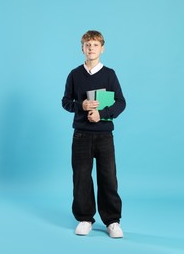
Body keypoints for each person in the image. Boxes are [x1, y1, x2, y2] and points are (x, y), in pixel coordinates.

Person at [61, 30, 126, 238]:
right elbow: (65, 102)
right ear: (82, 48)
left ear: (102, 48)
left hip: (104, 135)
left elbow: (121, 102)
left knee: (108, 177)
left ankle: (112, 221)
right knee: (81, 177)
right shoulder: (74, 74)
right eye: (87, 45)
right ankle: (85, 218)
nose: (91, 48)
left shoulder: (109, 74)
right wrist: (82, 105)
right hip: (81, 135)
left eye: (95, 45)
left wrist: (103, 114)